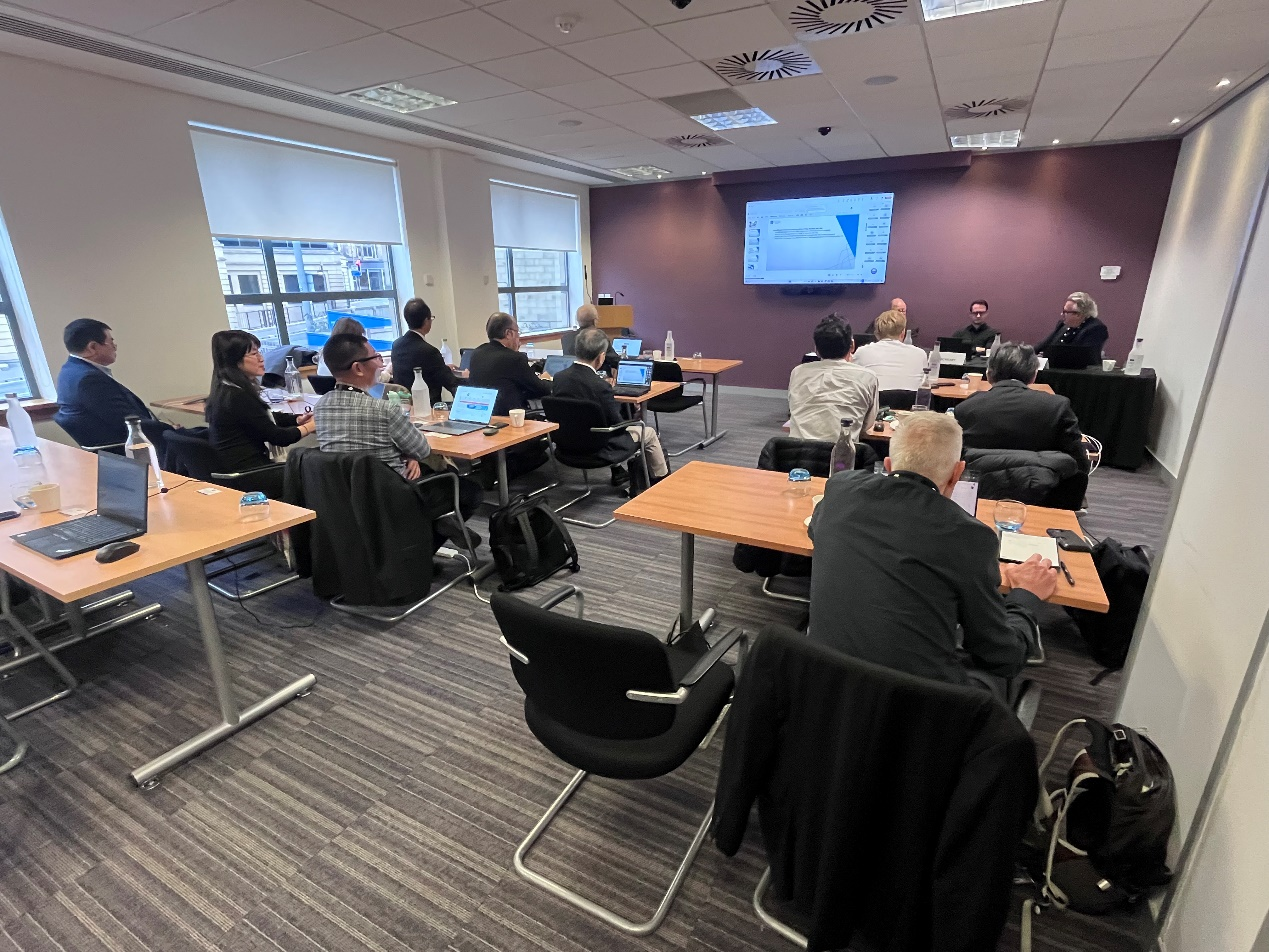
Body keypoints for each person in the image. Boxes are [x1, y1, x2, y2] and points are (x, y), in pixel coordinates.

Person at [807, 412, 1057, 703]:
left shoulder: (840, 490)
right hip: (921, 707)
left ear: (888, 466)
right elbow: (1002, 656)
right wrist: (1026, 595)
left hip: (823, 689)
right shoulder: (970, 535)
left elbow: (816, 529)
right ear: (957, 473)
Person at [313, 333, 481, 548]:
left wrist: (407, 454)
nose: (380, 364)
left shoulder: (321, 407)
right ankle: (422, 550)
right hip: (392, 498)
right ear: (358, 368)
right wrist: (410, 454)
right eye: (376, 357)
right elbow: (422, 449)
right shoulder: (384, 410)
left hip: (344, 499)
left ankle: (413, 544)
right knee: (469, 490)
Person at [550, 327, 670, 488]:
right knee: (648, 432)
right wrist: (634, 416)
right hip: (599, 449)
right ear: (601, 357)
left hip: (566, 447)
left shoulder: (558, 378)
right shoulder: (600, 386)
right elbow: (617, 425)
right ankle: (662, 482)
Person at [206, 330, 315, 499]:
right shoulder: (237, 396)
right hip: (250, 474)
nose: (261, 358)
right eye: (254, 354)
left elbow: (261, 418)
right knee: (316, 470)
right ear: (235, 360)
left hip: (239, 469)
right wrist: (311, 426)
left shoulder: (226, 389)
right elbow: (278, 437)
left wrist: (297, 420)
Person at [955, 342, 1089, 473]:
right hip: (1043, 486)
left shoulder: (965, 408)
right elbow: (1078, 462)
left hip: (979, 486)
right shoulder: (1058, 406)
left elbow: (954, 459)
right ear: (1034, 376)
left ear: (988, 374)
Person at [53, 318, 173, 450]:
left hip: (120, 443)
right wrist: (171, 431)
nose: (115, 346)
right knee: (188, 444)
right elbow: (129, 423)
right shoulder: (89, 380)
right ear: (92, 347)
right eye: (111, 342)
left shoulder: (69, 371)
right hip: (130, 449)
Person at [787, 317, 878, 444]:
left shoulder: (798, 372)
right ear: (852, 345)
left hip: (796, 452)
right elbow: (867, 424)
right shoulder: (868, 377)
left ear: (816, 349)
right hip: (842, 453)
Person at [469, 312, 551, 416]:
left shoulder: (477, 353)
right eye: (518, 332)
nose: (518, 337)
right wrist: (546, 380)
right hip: (509, 417)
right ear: (508, 333)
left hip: (482, 415)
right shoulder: (514, 358)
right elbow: (541, 389)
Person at [389, 298, 462, 403]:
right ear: (426, 321)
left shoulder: (396, 345)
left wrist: (444, 367)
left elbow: (418, 368)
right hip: (428, 407)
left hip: (405, 407)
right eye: (431, 318)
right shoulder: (429, 351)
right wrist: (465, 376)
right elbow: (451, 383)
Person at [852, 309, 927, 391]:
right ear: (903, 333)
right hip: (911, 399)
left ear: (877, 333)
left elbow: (852, 381)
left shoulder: (862, 353)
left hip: (874, 399)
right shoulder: (920, 354)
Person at [1037, 291, 1109, 355]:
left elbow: (1083, 356)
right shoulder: (1063, 325)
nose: (1062, 314)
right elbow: (1043, 345)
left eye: (1065, 312)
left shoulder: (1096, 329)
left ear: (1078, 314)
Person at [561, 303, 618, 375]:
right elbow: (615, 361)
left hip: (571, 377)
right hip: (596, 378)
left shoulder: (566, 338)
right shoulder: (600, 338)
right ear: (595, 320)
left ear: (577, 321)